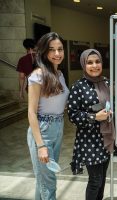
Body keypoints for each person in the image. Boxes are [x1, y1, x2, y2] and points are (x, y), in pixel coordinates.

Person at [67, 49, 115, 200]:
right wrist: (94, 117)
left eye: (97, 61)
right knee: (95, 181)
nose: (94, 65)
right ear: (83, 64)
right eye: (90, 62)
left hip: (106, 137)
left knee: (102, 179)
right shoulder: (78, 87)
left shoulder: (107, 82)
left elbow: (113, 103)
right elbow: (72, 115)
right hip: (89, 140)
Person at [27, 32, 69, 200]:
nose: (57, 53)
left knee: (43, 181)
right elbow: (31, 112)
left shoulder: (59, 75)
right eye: (52, 50)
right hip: (42, 130)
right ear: (44, 52)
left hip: (58, 128)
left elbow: (60, 103)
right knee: (49, 183)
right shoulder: (37, 75)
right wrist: (40, 146)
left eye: (60, 49)